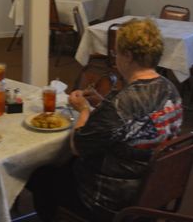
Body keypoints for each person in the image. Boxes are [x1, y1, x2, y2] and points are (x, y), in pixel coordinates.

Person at [27, 18, 183, 221]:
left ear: (127, 56)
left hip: (110, 200)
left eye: (116, 52)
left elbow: (78, 146)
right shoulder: (170, 89)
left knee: (41, 175)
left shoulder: (121, 103)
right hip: (152, 187)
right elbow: (132, 121)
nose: (115, 57)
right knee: (64, 165)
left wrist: (83, 110)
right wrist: (101, 104)